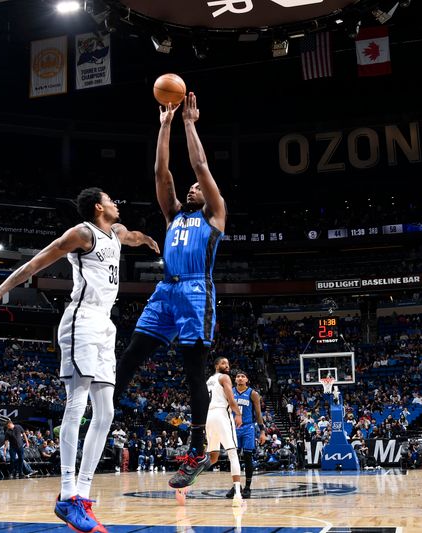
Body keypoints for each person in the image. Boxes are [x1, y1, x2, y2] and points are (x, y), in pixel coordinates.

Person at [0, 187, 159, 533]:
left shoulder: (114, 232)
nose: (118, 203)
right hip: (81, 320)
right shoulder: (82, 233)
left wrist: (146, 240)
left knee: (108, 412)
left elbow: (130, 236)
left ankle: (82, 494)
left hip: (105, 324)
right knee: (77, 405)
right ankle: (68, 493)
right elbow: (36, 262)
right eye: (112, 199)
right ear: (99, 207)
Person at [113, 93, 227, 489]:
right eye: (191, 188)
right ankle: (104, 411)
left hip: (197, 291)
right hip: (165, 291)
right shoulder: (173, 214)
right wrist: (164, 125)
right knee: (130, 355)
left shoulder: (214, 215)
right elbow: (163, 173)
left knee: (193, 372)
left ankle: (197, 449)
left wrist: (189, 124)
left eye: (199, 187)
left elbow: (199, 164)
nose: (194, 188)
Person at [203, 357, 243, 506]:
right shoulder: (224, 377)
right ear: (216, 365)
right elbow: (231, 398)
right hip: (221, 414)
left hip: (208, 416)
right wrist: (238, 414)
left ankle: (187, 481)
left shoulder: (209, 380)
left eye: (227, 363)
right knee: (233, 453)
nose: (226, 365)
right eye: (223, 363)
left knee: (212, 457)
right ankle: (238, 495)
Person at [226, 370, 266, 499]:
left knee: (248, 457)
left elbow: (258, 414)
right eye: (238, 376)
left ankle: (248, 487)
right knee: (233, 458)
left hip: (248, 427)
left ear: (247, 380)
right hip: (233, 428)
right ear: (235, 379)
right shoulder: (230, 392)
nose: (240, 378)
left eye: (243, 376)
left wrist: (262, 431)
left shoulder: (253, 393)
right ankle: (236, 485)